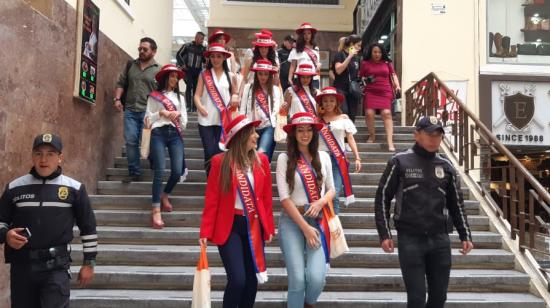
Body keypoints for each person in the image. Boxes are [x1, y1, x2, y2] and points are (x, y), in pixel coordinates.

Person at [374, 116, 474, 308]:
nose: (434, 138)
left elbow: (456, 204)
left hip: (440, 239)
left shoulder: (447, 166)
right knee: (417, 299)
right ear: (417, 135)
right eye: (429, 134)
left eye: (438, 134)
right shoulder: (399, 161)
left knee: (439, 298)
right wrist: (384, 233)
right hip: (410, 239)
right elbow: (382, 198)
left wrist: (465, 234)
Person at [0, 133, 98, 308]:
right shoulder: (14, 188)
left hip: (56, 268)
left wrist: (89, 262)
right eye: (38, 153)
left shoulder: (74, 189)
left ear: (60, 158)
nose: (43, 159)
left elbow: (88, 227)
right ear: (32, 156)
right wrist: (6, 235)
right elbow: (1, 221)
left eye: (50, 154)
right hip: (22, 268)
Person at [199, 115, 275, 308]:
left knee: (251, 281)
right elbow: (212, 199)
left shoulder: (262, 161)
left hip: (254, 226)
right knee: (238, 280)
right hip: (230, 225)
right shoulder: (220, 162)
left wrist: (269, 228)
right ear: (241, 136)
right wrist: (205, 232)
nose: (257, 136)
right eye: (252, 133)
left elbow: (266, 199)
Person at [276, 112, 335, 308]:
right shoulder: (284, 159)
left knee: (317, 278)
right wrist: (305, 228)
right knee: (298, 280)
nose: (305, 134)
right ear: (293, 133)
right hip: (292, 221)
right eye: (300, 130)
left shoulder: (324, 157)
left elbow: (332, 189)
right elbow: (284, 199)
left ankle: (307, 303)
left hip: (317, 219)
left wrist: (320, 202)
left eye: (309, 130)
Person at [145, 64, 188, 229]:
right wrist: (161, 113)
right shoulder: (154, 96)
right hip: (158, 133)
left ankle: (165, 194)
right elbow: (147, 120)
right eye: (172, 76)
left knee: (177, 171)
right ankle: (156, 209)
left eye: (176, 77)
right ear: (165, 77)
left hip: (175, 134)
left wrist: (177, 116)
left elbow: (184, 123)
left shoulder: (181, 99)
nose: (175, 80)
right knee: (160, 170)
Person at [113, 37, 160, 181]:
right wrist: (117, 99)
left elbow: (163, 93)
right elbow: (121, 83)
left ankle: (154, 163)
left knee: (149, 142)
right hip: (131, 111)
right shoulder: (130, 65)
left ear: (153, 51)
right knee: (131, 141)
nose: (141, 51)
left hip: (149, 113)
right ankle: (134, 171)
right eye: (140, 48)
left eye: (145, 49)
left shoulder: (159, 69)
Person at [194, 43, 239, 175]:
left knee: (219, 154)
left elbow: (235, 93)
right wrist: (200, 106)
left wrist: (235, 97)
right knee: (209, 152)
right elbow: (197, 95)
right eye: (213, 56)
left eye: (219, 56)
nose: (215, 59)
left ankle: (218, 183)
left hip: (224, 121)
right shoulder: (204, 74)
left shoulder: (231, 76)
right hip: (206, 120)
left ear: (224, 58)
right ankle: (211, 182)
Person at [316, 87, 361, 214]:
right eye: (325, 101)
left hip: (337, 159)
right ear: (321, 103)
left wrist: (357, 157)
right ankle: (322, 224)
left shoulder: (343, 118)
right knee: (319, 193)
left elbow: (350, 138)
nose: (328, 103)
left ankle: (334, 228)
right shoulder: (316, 120)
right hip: (320, 159)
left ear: (336, 102)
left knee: (334, 193)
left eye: (331, 100)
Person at [359, 43, 401, 151]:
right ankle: (372, 135)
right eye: (375, 52)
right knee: (369, 113)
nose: (377, 54)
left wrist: (397, 85)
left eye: (379, 52)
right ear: (371, 52)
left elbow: (393, 75)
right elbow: (360, 77)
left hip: (385, 90)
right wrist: (365, 80)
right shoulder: (365, 63)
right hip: (370, 91)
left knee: (386, 113)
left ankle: (390, 141)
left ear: (382, 53)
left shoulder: (387, 63)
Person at [239, 60, 282, 162]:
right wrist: (242, 125)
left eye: (266, 74)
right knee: (251, 155)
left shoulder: (275, 89)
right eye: (260, 74)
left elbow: (276, 109)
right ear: (256, 74)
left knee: (261, 152)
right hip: (251, 127)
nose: (263, 77)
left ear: (270, 75)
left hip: (268, 126)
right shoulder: (248, 88)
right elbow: (243, 108)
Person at [333, 35, 362, 123]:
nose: (360, 48)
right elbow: (338, 70)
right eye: (358, 45)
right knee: (344, 112)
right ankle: (342, 135)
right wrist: (349, 56)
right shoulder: (340, 55)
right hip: (340, 88)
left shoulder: (357, 58)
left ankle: (349, 136)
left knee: (352, 114)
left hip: (352, 90)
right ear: (351, 44)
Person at [176, 31, 206, 112]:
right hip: (188, 70)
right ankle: (188, 106)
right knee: (189, 87)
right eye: (201, 39)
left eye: (203, 39)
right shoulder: (187, 46)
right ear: (196, 38)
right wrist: (182, 65)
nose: (202, 40)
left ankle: (195, 107)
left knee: (197, 89)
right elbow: (178, 54)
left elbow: (204, 60)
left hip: (198, 72)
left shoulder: (203, 49)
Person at [288, 23, 321, 89]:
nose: (307, 36)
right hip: (299, 78)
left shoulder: (316, 48)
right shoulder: (296, 49)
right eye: (304, 34)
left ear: (312, 35)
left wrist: (319, 66)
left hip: (313, 78)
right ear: (301, 35)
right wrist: (289, 78)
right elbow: (293, 65)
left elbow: (317, 64)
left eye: (309, 33)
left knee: (313, 98)